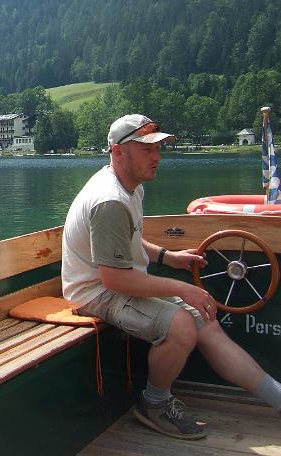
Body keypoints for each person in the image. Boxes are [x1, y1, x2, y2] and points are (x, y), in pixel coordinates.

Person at [62, 114, 281, 440]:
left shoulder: (130, 186)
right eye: (148, 149)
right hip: (93, 293)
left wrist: (167, 256)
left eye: (159, 148)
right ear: (118, 152)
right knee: (181, 324)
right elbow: (114, 280)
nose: (158, 157)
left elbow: (130, 241)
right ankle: (154, 403)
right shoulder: (110, 201)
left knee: (207, 324)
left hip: (121, 279)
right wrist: (183, 288)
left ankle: (276, 397)